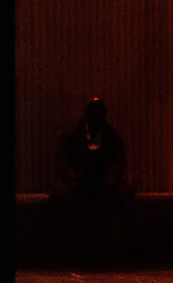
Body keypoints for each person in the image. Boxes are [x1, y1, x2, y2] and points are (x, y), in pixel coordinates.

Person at [49, 95, 133, 261]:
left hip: (102, 183)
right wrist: (74, 178)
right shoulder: (72, 133)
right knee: (62, 198)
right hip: (77, 183)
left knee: (125, 196)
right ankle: (71, 246)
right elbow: (61, 160)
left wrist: (109, 178)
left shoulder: (110, 134)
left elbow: (119, 161)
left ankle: (116, 247)